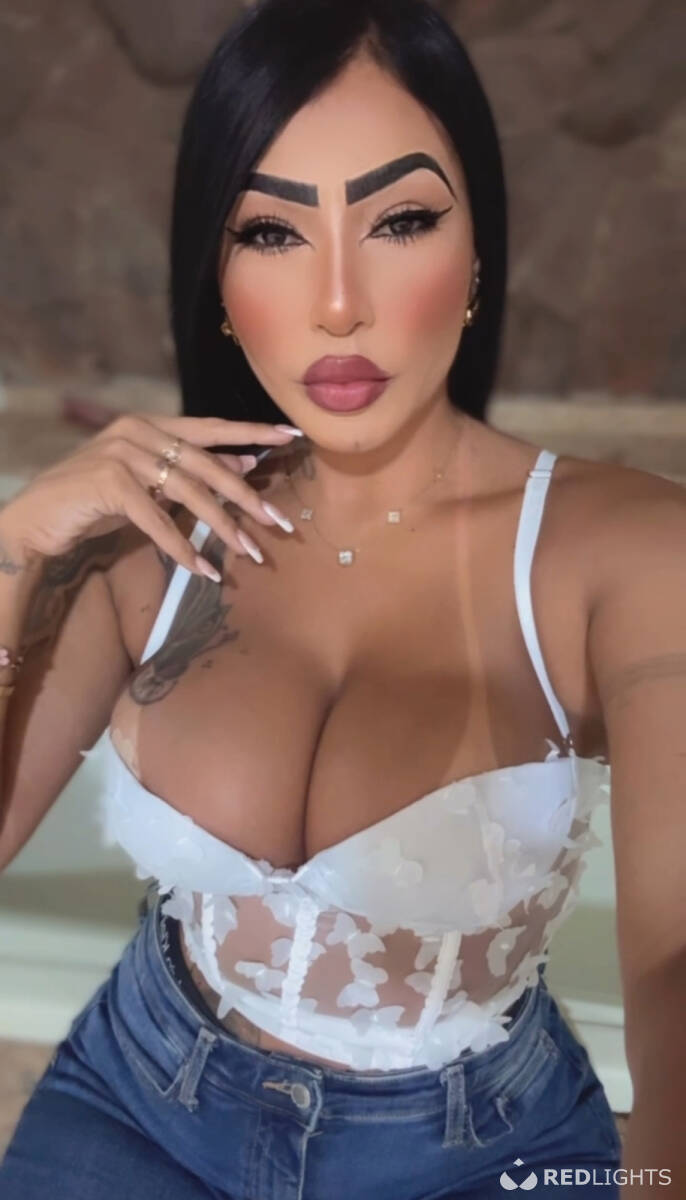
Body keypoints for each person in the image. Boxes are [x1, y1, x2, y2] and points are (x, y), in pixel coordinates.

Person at [0, 1, 684, 1196]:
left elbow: (674, 968)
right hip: (136, 1098)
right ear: (217, 279)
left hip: (485, 1149)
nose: (335, 303)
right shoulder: (146, 543)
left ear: (476, 252)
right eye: (271, 231)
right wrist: (14, 549)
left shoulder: (626, 553)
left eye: (400, 221)